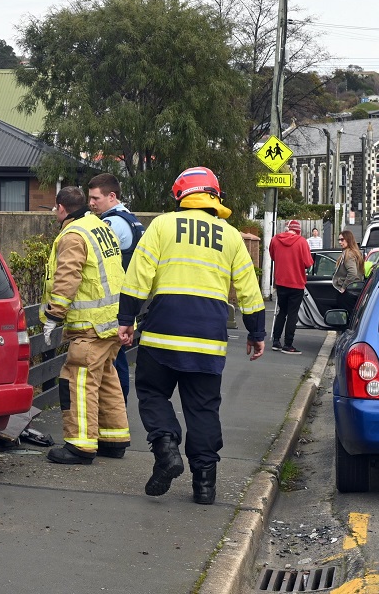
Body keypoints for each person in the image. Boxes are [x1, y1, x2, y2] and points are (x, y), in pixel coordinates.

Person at [116, 166, 265, 505]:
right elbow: (249, 290)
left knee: (153, 392)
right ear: (215, 195)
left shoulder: (163, 226)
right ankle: (205, 485)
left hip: (163, 333)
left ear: (181, 195)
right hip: (208, 340)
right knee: (203, 409)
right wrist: (257, 332)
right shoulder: (230, 236)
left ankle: (167, 447)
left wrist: (126, 318)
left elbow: (138, 275)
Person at [40, 186, 130, 464]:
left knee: (76, 379)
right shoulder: (99, 227)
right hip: (113, 320)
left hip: (90, 324)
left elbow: (68, 277)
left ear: (61, 208)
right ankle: (114, 439)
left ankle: (80, 446)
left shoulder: (73, 235)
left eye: (56, 208)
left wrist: (54, 315)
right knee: (106, 378)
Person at [87, 173, 146, 403]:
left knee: (114, 358)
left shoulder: (111, 224)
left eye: (95, 198)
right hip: (128, 298)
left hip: (114, 302)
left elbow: (95, 258)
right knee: (117, 354)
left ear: (112, 196)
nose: (91, 203)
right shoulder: (131, 219)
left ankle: (116, 408)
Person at [268, 220, 313, 354]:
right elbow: (308, 263)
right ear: (298, 230)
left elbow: (272, 256)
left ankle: (276, 341)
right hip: (296, 283)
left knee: (282, 311)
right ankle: (288, 344)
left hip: (281, 282)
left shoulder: (275, 239)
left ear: (287, 229)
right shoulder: (302, 242)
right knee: (292, 314)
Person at [330, 229, 365, 313]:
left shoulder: (348, 254)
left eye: (342, 240)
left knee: (348, 315)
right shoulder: (354, 252)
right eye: (339, 240)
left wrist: (343, 287)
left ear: (348, 240)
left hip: (348, 292)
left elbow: (352, 273)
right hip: (354, 289)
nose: (340, 242)